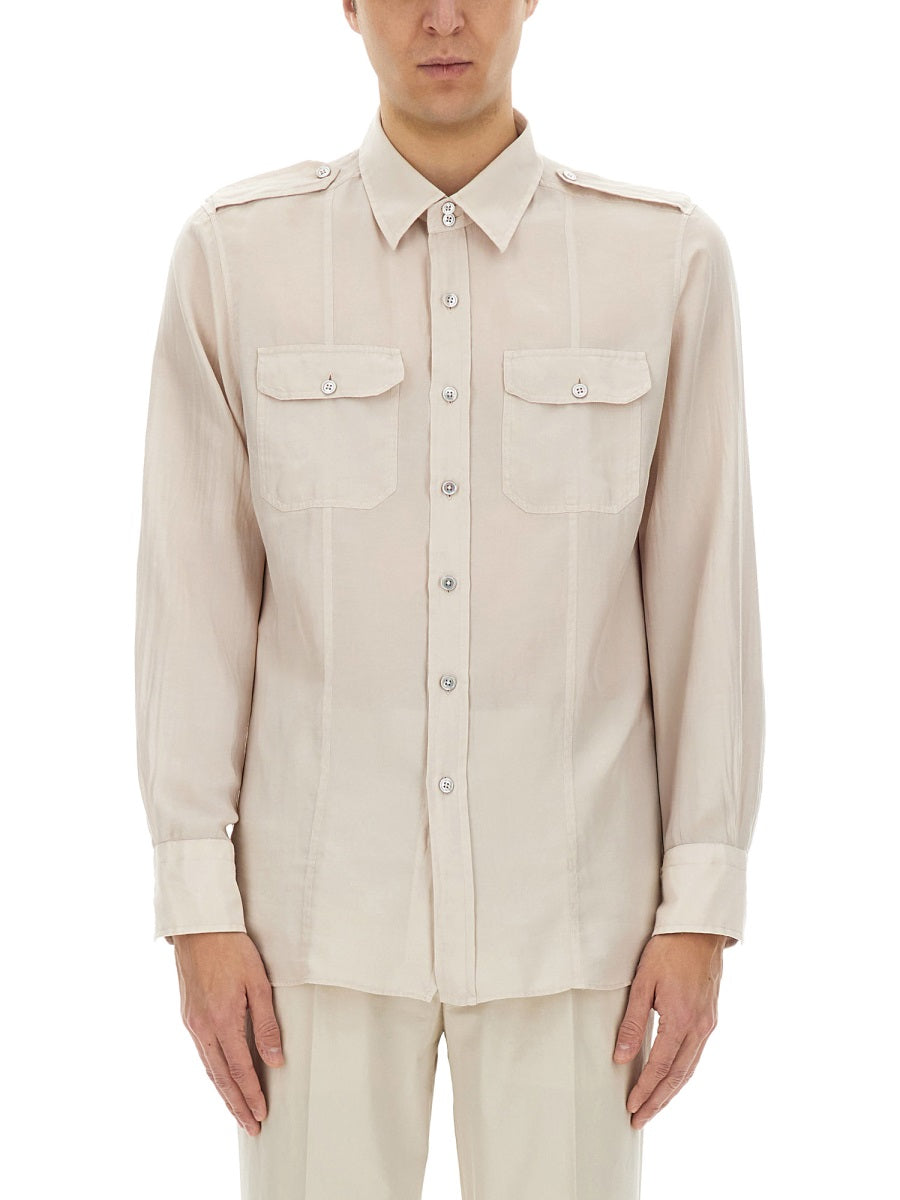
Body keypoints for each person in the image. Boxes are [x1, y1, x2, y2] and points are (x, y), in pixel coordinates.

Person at [134, 1, 765, 1196]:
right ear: (346, 3)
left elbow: (706, 603)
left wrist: (702, 907)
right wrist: (197, 906)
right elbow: (192, 602)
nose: (441, 17)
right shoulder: (235, 257)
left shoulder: (667, 261)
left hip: (575, 921)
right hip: (310, 926)